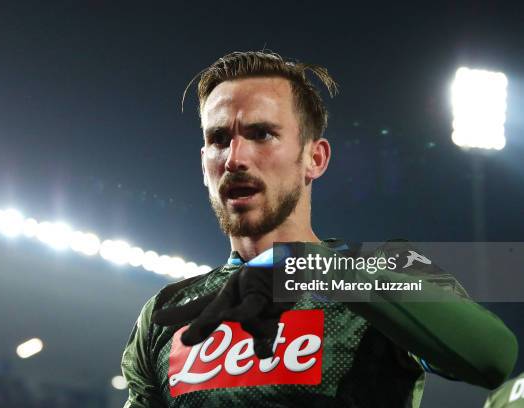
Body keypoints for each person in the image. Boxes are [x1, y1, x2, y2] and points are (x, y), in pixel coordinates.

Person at [121, 51, 518, 407]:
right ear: (204, 162)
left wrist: (309, 266)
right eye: (219, 139)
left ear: (315, 158)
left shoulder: (384, 270)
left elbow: (492, 356)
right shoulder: (166, 314)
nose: (235, 158)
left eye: (262, 134)